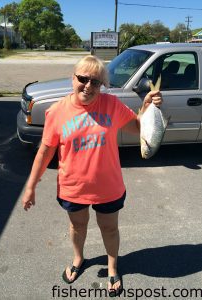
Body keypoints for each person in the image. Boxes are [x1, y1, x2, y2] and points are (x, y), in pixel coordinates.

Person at [22, 55, 162, 296]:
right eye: (82, 79)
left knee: (109, 228)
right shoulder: (57, 111)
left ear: (102, 85)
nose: (88, 86)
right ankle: (78, 258)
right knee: (78, 225)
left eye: (95, 82)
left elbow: (138, 127)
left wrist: (148, 106)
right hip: (73, 186)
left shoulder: (111, 105)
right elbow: (45, 151)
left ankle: (112, 266)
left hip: (108, 186)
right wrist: (31, 186)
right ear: (73, 78)